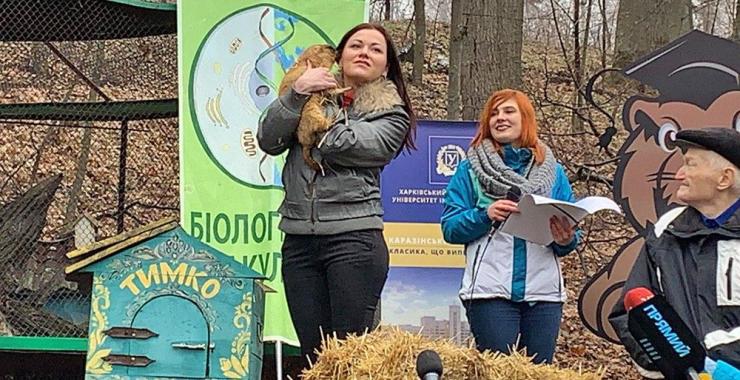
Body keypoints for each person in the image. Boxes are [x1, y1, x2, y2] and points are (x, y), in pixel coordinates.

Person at [257, 23, 416, 365]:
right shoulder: (306, 96)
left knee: (349, 359)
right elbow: (268, 139)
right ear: (339, 57)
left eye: (375, 49)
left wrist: (310, 115)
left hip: (354, 241)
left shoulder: (391, 112)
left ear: (385, 66)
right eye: (355, 45)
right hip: (299, 241)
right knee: (315, 360)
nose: (363, 52)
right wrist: (297, 93)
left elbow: (350, 144)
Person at [440, 89, 579, 364]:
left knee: (538, 373)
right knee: (500, 372)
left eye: (508, 111)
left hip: (544, 294)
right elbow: (450, 227)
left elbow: (571, 234)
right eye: (494, 113)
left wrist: (566, 239)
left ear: (525, 118)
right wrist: (485, 214)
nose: (500, 118)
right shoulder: (470, 169)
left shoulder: (553, 171)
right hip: (489, 291)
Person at [609, 127, 740, 378]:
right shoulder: (667, 231)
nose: (679, 174)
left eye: (690, 164)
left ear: (724, 179)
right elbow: (629, 315)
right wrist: (675, 366)